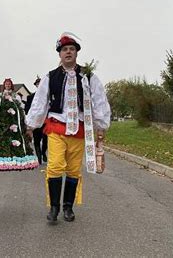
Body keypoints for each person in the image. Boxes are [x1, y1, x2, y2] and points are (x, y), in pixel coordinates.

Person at [26, 33, 111, 222]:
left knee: (73, 169)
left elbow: (99, 101)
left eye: (72, 49)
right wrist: (31, 125)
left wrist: (101, 125)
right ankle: (54, 207)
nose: (68, 52)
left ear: (77, 53)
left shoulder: (89, 76)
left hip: (80, 130)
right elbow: (40, 103)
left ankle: (68, 207)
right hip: (57, 128)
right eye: (65, 49)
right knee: (55, 166)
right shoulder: (50, 77)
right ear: (59, 54)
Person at [24, 76, 48, 165]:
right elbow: (27, 109)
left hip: (45, 121)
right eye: (37, 84)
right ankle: (39, 158)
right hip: (35, 122)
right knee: (37, 140)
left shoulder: (47, 95)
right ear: (36, 85)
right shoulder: (30, 97)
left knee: (46, 140)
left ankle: (43, 152)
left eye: (40, 83)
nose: (39, 85)